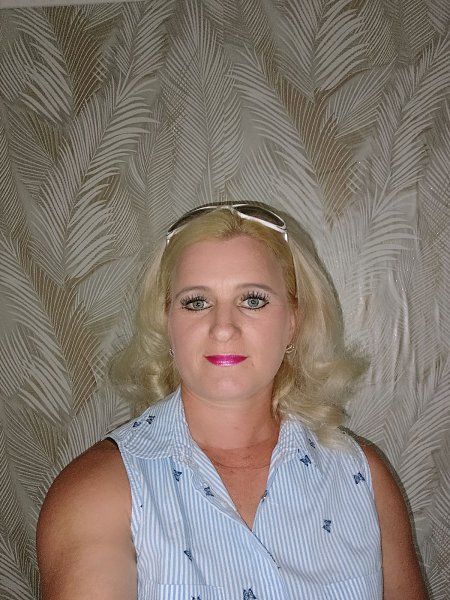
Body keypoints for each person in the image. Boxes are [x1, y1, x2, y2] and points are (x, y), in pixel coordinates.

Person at [37, 203, 427, 599]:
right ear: (166, 322)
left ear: (293, 321)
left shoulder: (364, 477)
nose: (223, 328)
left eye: (253, 300)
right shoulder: (97, 493)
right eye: (196, 302)